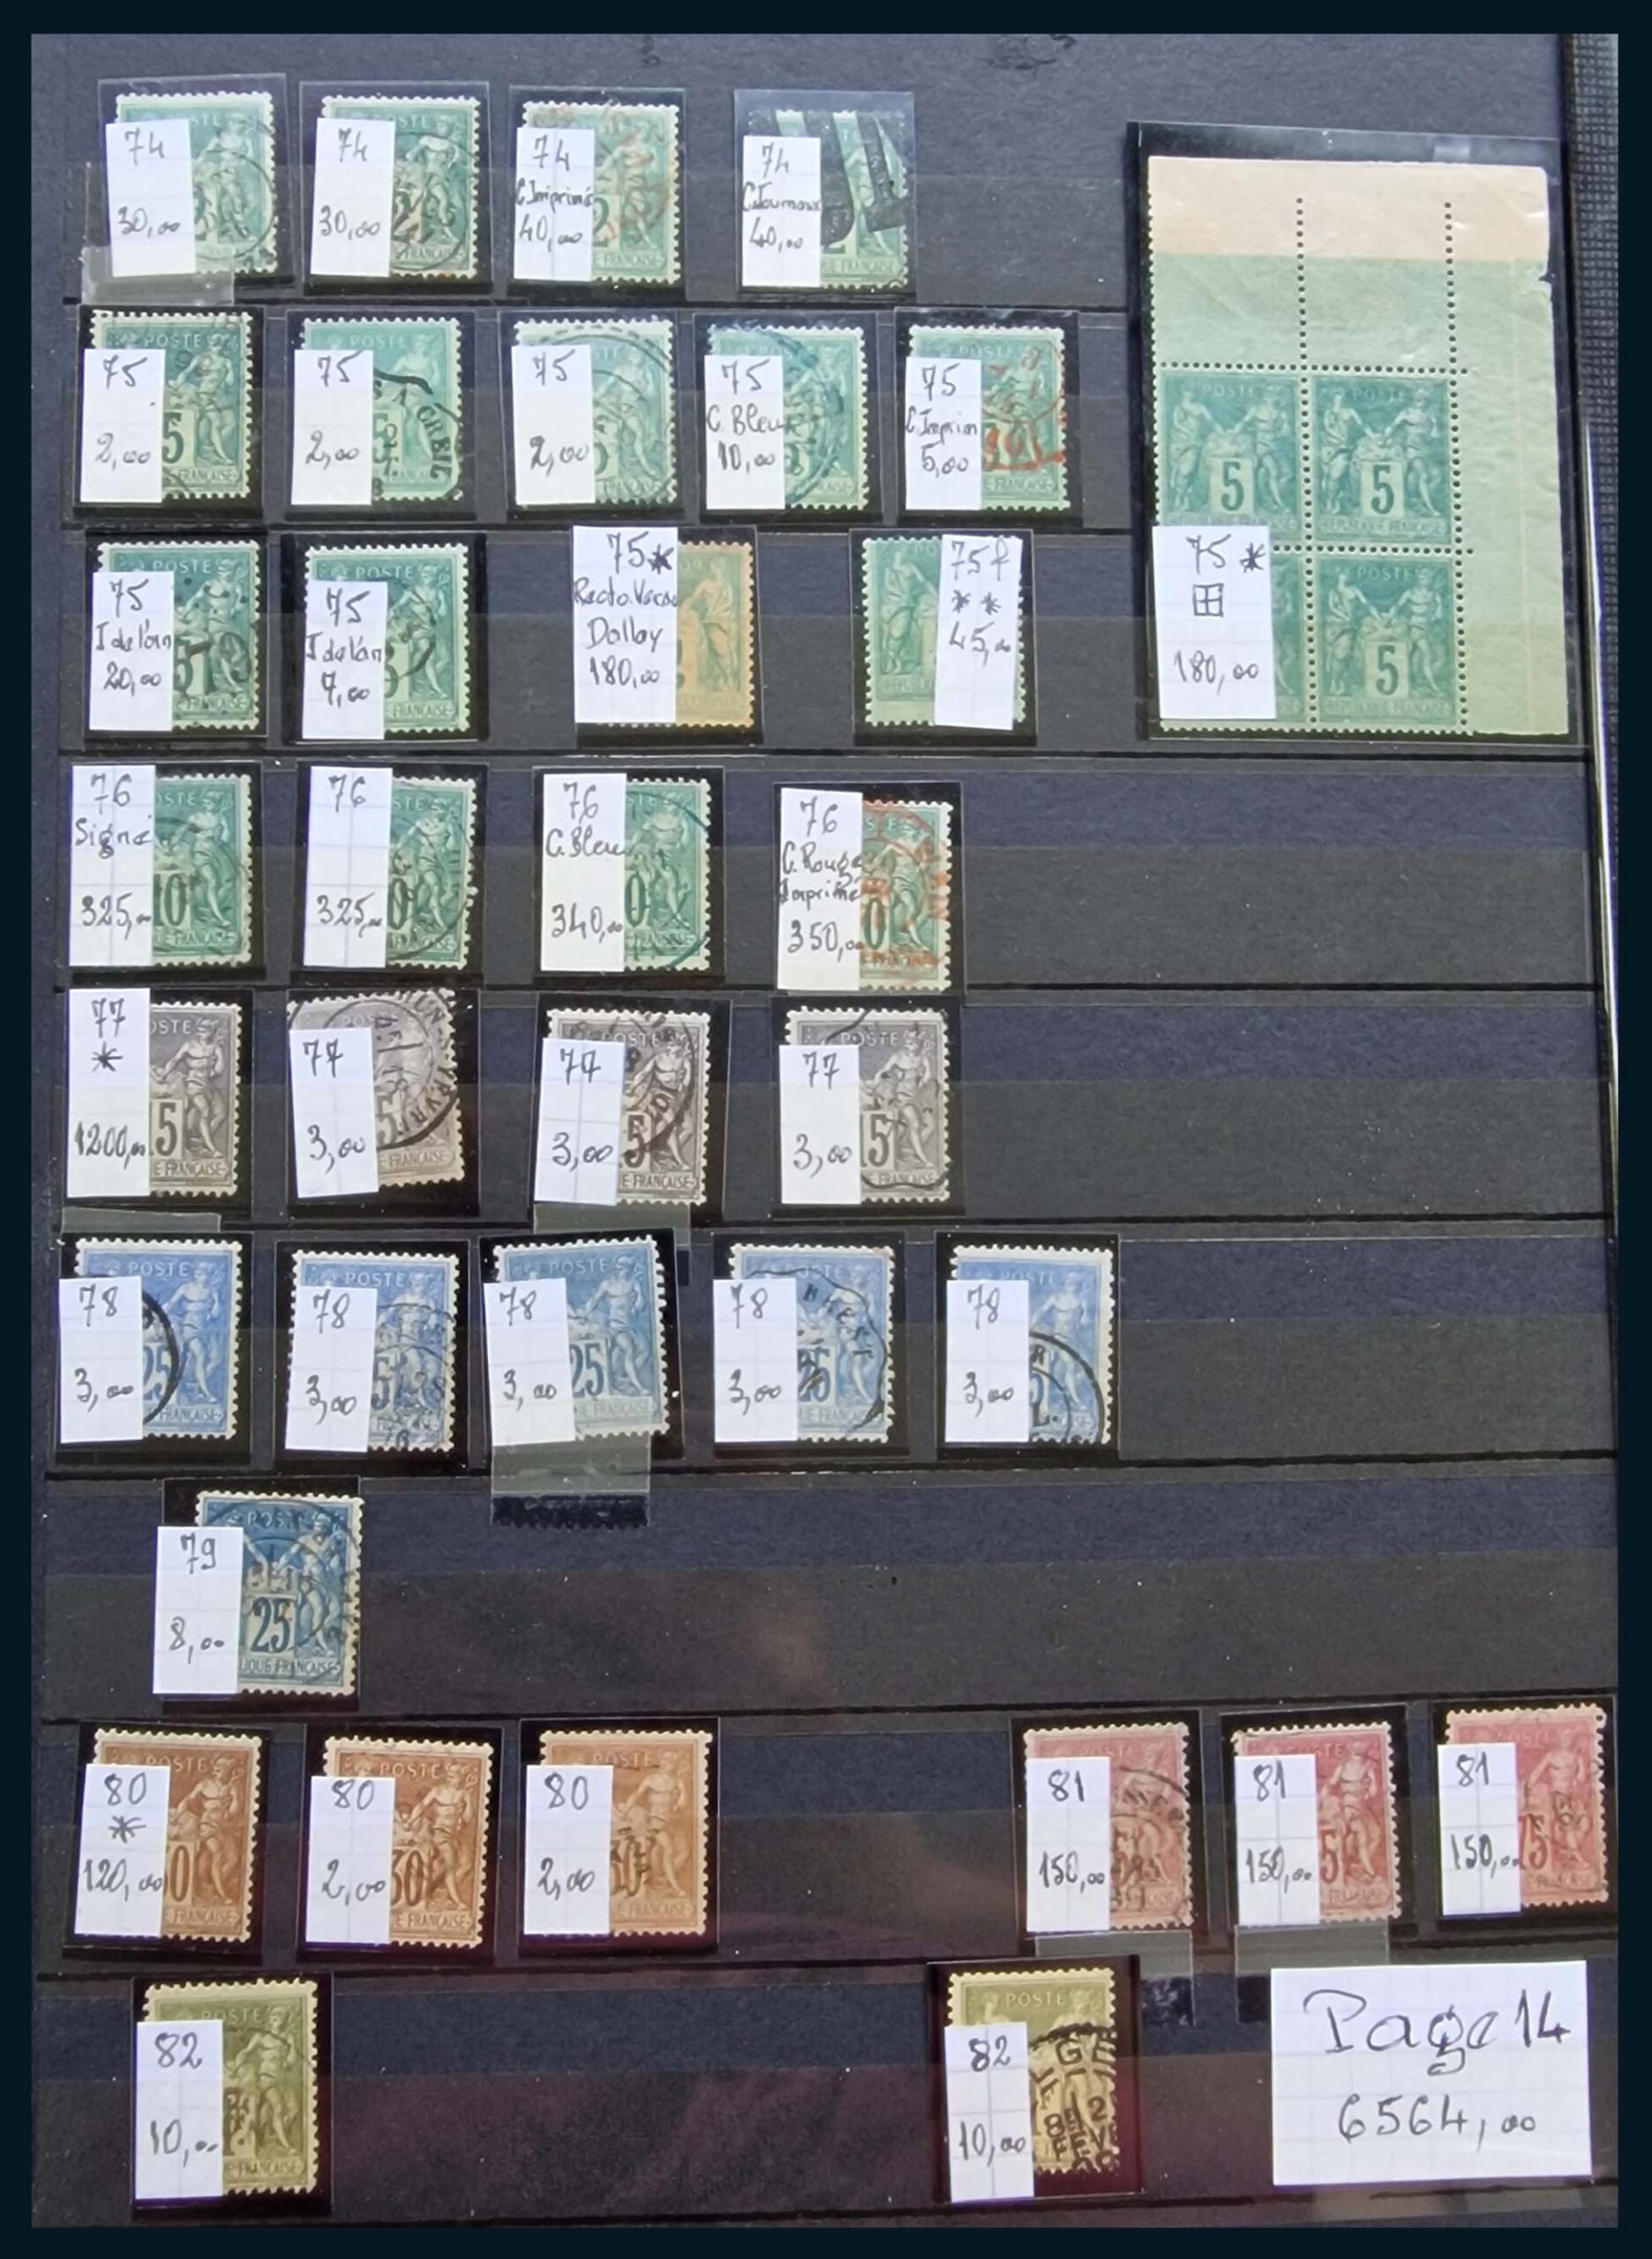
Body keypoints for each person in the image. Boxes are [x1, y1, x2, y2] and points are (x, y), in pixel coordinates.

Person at [405, 1760, 475, 1911]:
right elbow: (422, 1806)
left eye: (454, 1776)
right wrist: (410, 1821)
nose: (450, 1778)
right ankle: (456, 1900)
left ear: (460, 1778)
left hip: (454, 1835)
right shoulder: (438, 1791)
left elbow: (468, 1819)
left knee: (466, 1864)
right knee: (450, 1863)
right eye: (449, 1775)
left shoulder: (463, 1794)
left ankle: (435, 1891)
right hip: (439, 1832)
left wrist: (468, 1802)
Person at [175, 1753, 243, 1906]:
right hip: (207, 1825)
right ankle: (222, 1894)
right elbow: (187, 1800)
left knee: (233, 1858)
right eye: (215, 1768)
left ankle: (208, 1886)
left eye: (220, 1769)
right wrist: (179, 1815)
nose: (215, 1771)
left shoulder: (230, 1787)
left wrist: (234, 1795)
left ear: (228, 1771)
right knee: (217, 1853)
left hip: (222, 1828)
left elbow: (234, 1810)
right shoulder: (205, 1784)